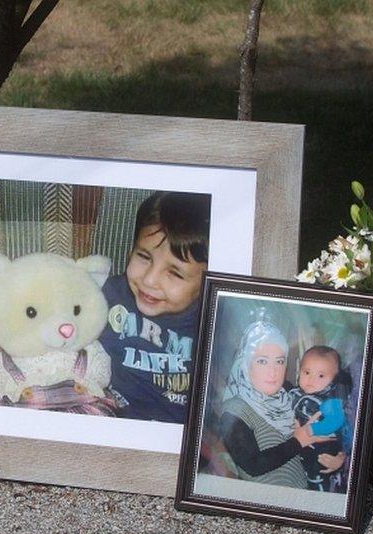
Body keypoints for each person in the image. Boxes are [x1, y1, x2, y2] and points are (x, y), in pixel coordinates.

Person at [97, 191, 209, 422]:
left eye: (175, 273)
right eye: (144, 256)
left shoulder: (214, 326)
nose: (149, 280)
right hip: (108, 418)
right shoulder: (107, 296)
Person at [218, 316, 345, 488]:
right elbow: (253, 465)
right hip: (265, 502)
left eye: (279, 361)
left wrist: (339, 458)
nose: (273, 372)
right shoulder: (233, 410)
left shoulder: (290, 393)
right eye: (262, 361)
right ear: (245, 363)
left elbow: (334, 430)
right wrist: (298, 441)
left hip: (307, 491)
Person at [290, 345, 352, 492]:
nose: (311, 379)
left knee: (317, 477)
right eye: (307, 372)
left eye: (321, 376)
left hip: (323, 449)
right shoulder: (295, 394)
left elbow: (336, 420)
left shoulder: (330, 400)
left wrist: (312, 429)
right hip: (301, 449)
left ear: (334, 380)